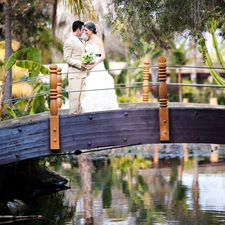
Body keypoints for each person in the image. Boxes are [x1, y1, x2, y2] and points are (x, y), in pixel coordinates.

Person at [81, 21, 119, 112]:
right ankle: (92, 108)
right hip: (90, 67)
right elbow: (85, 55)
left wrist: (94, 64)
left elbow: (103, 56)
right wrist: (86, 62)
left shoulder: (98, 41)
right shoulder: (86, 43)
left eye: (86, 30)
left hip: (98, 65)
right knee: (91, 85)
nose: (85, 32)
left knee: (100, 84)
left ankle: (102, 108)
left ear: (92, 30)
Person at [63, 20, 87, 114]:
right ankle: (72, 121)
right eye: (82, 30)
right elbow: (67, 58)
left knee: (82, 101)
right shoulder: (68, 42)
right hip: (74, 75)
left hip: (84, 74)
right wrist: (80, 64)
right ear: (78, 29)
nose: (83, 32)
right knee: (74, 100)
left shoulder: (82, 41)